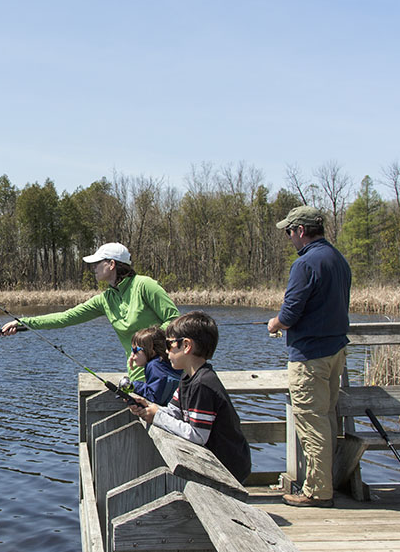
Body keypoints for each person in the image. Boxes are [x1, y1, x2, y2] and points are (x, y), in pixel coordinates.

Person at [268, 206, 351, 508]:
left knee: (311, 423)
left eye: (289, 231)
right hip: (336, 352)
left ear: (300, 231)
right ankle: (324, 484)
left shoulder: (304, 264)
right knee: (326, 418)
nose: (289, 237)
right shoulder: (337, 259)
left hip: (310, 358)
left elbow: (289, 315)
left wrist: (274, 324)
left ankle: (317, 491)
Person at [0, 242, 179, 382]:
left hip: (165, 374)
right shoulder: (106, 299)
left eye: (97, 263)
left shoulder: (144, 285)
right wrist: (24, 322)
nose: (93, 268)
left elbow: (174, 320)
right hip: (137, 377)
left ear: (111, 264)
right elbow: (65, 317)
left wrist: (148, 340)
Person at [129, 311, 251, 484]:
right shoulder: (187, 378)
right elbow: (174, 412)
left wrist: (156, 416)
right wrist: (148, 406)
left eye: (170, 344)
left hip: (227, 467)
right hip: (211, 462)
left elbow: (197, 435)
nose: (165, 350)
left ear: (186, 346)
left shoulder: (203, 384)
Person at [125, 326, 181, 405]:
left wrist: (134, 385)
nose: (132, 354)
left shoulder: (154, 366)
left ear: (152, 350)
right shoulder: (166, 362)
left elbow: (154, 397)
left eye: (135, 350)